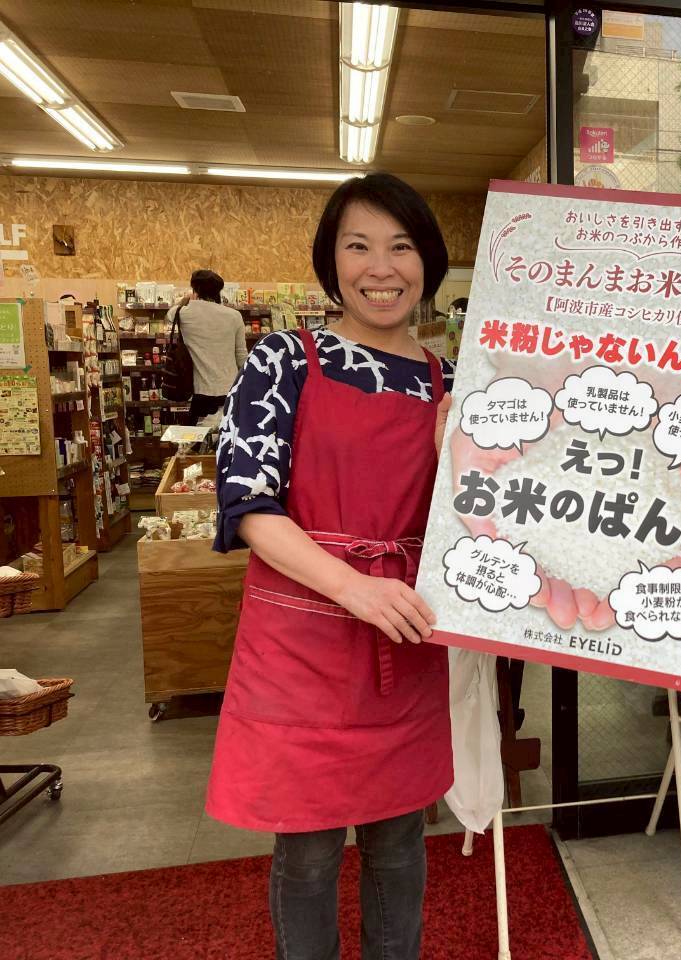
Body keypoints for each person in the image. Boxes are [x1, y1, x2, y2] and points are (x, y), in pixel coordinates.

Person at [206, 173, 454, 960]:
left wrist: (459, 463)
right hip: (302, 637)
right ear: (331, 262)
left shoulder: (448, 380)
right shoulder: (285, 358)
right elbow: (247, 504)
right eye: (359, 247)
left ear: (427, 261)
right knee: (309, 848)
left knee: (399, 839)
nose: (381, 268)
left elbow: (476, 523)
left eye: (401, 247)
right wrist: (354, 587)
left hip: (405, 633)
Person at [166, 269, 247, 424]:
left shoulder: (183, 313)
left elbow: (170, 314)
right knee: (228, 435)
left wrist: (187, 299)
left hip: (200, 391)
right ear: (218, 290)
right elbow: (241, 356)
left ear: (195, 289)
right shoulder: (234, 316)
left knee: (198, 436)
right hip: (229, 389)